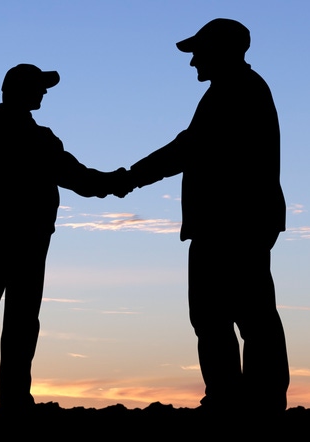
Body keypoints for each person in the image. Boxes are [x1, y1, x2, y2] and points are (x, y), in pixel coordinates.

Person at [118, 18, 289, 414]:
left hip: (230, 223)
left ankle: (241, 401)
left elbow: (187, 148)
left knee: (230, 316)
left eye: (199, 51)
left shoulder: (235, 91)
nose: (193, 61)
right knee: (235, 315)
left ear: (221, 51)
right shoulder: (235, 90)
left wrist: (130, 176)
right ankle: (241, 399)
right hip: (237, 221)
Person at [0, 63, 126, 411]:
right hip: (6, 239)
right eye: (38, 87)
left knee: (13, 321)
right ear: (19, 90)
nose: (43, 93)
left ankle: (1, 401)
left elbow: (79, 177)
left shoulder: (36, 136)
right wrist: (117, 182)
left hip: (22, 240)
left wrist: (113, 181)